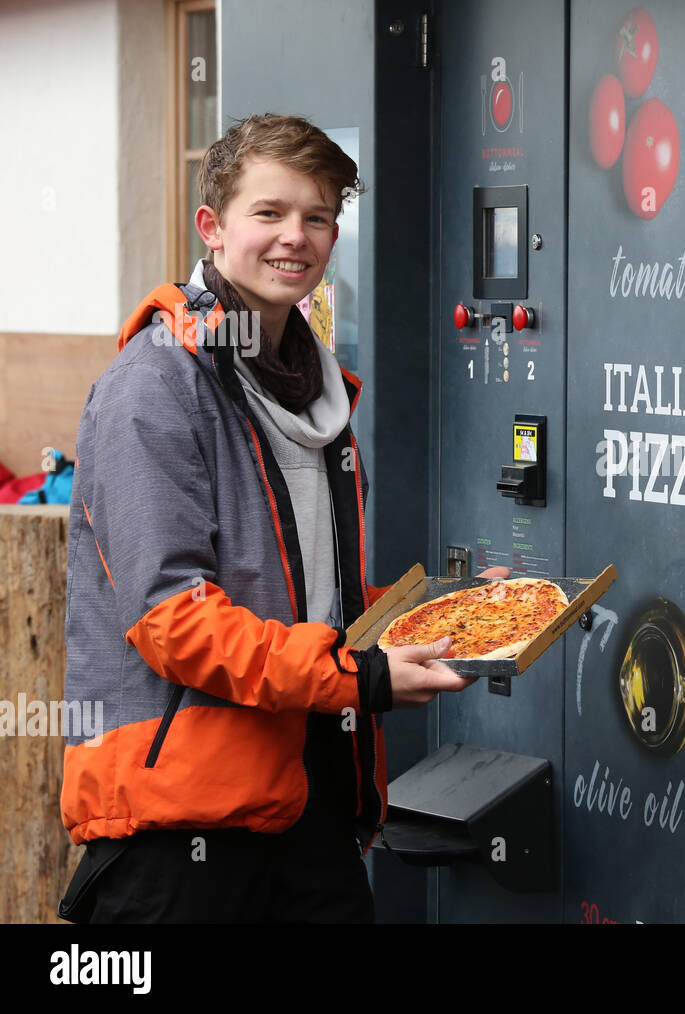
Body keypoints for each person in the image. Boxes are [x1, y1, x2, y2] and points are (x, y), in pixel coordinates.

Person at [58, 113, 491, 923]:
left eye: (318, 216)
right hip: (179, 835)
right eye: (270, 212)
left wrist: (446, 616)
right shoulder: (155, 386)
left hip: (308, 802)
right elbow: (172, 620)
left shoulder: (313, 387)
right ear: (212, 229)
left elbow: (311, 603)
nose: (296, 236)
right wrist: (356, 677)